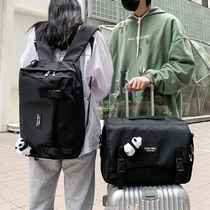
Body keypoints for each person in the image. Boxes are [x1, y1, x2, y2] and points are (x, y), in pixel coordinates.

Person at [15, 0, 113, 209]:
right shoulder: (93, 37)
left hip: (40, 130)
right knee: (79, 198)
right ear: (77, 12)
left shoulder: (37, 34)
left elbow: (25, 71)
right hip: (81, 132)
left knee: (38, 197)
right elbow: (103, 86)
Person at [102, 0, 195, 118]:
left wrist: (151, 78)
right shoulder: (118, 31)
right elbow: (106, 78)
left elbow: (183, 67)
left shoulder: (169, 23)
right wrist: (104, 117)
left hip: (159, 122)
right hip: (121, 125)